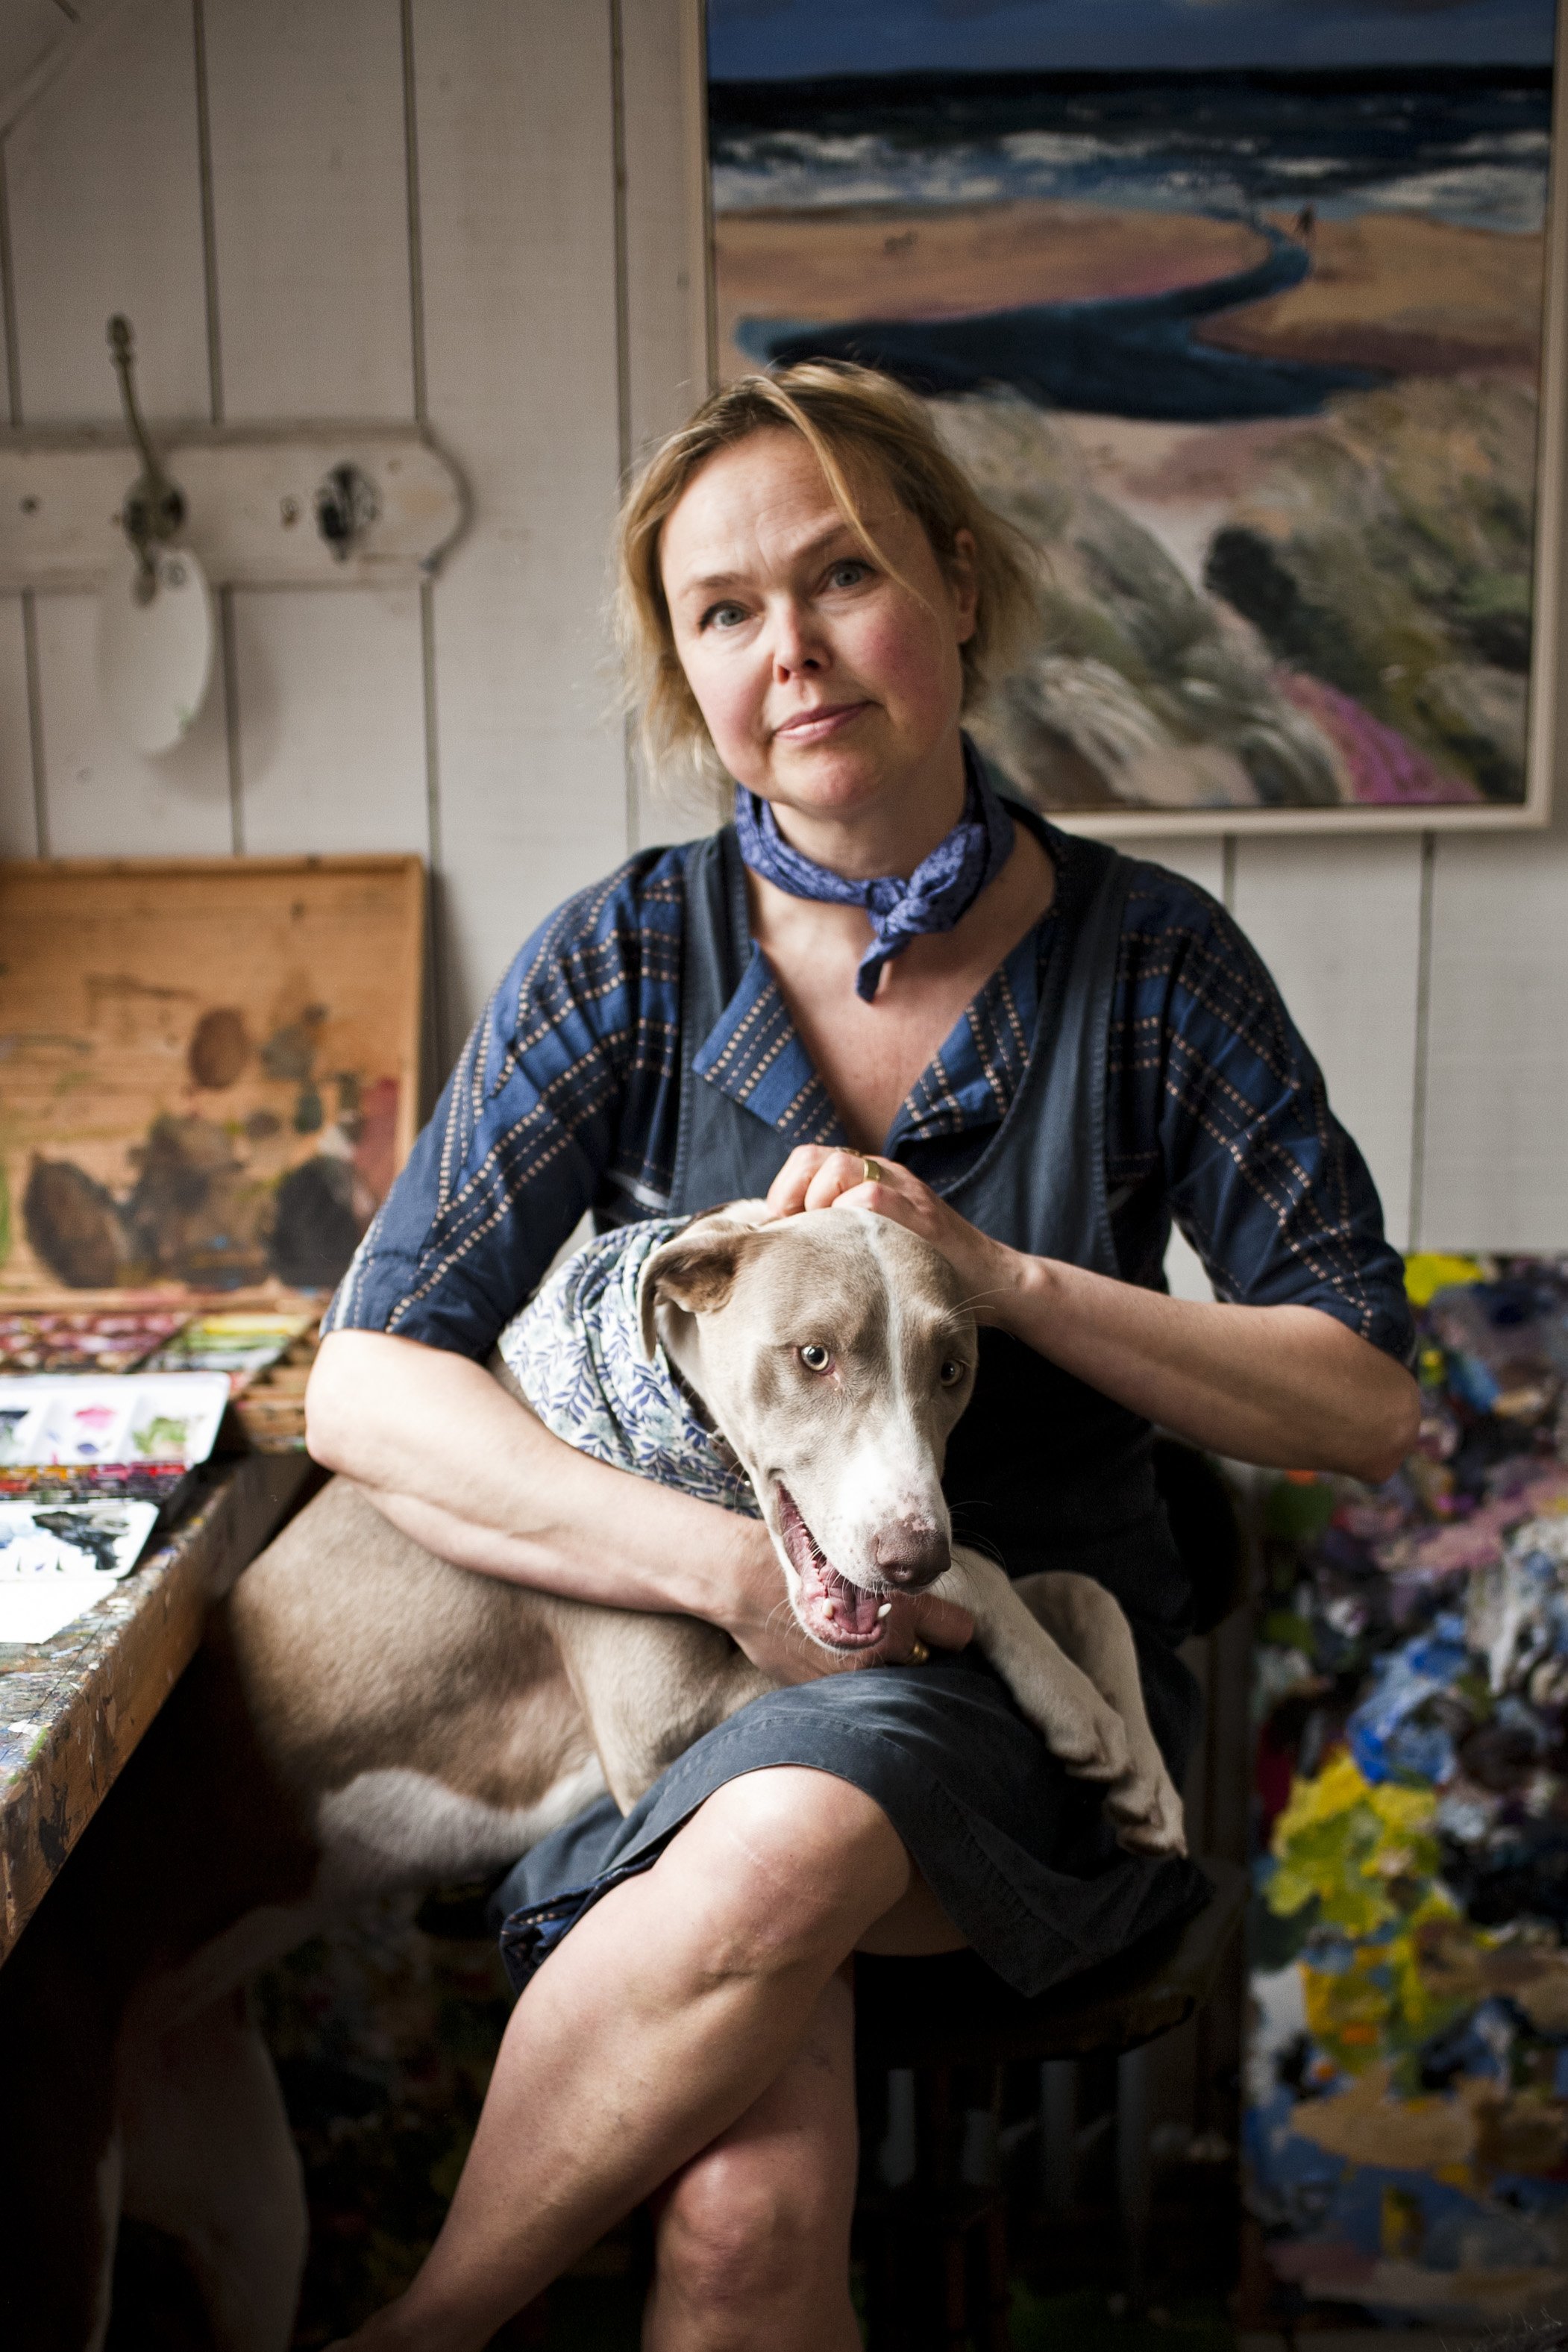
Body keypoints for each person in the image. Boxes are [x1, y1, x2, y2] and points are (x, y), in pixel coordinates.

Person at [308, 361, 1419, 2351]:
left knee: (811, 1815)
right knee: (744, 2214)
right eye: (725, 611)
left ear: (961, 586)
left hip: (1012, 1708)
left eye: (842, 575)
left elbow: (1364, 1395)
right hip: (661, 1704)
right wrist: (726, 1571)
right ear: (686, 664)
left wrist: (1003, 1274)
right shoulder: (628, 956)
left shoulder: (1154, 964)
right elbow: (367, 1380)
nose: (791, 651)